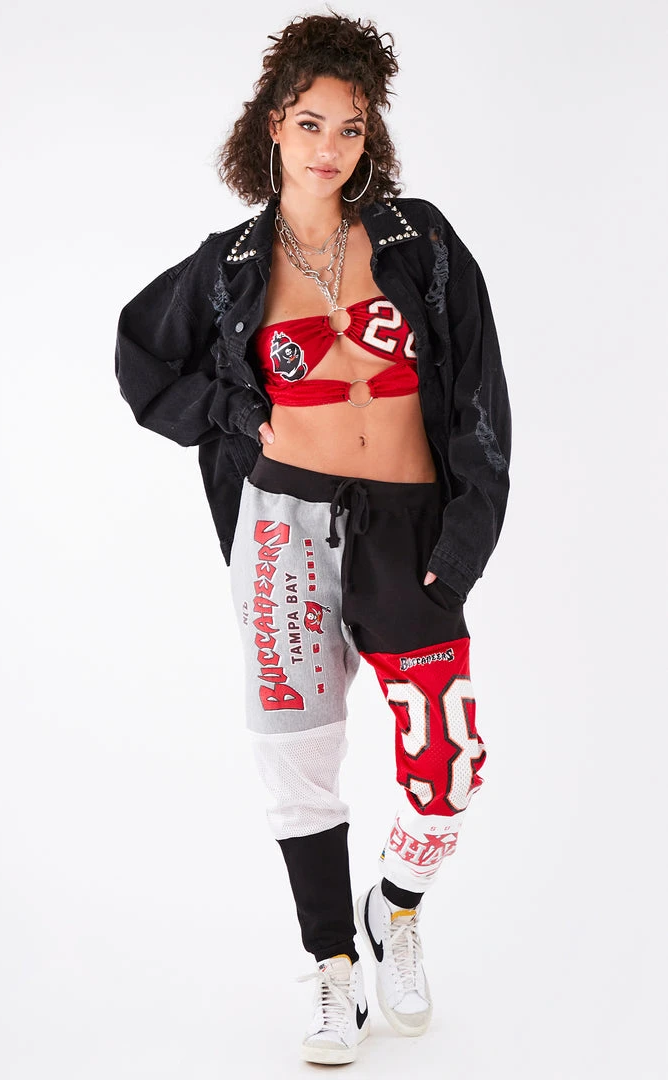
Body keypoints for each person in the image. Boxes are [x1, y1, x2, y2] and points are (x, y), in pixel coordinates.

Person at [114, 12, 511, 1066]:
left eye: (351, 127)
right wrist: (235, 414)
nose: (330, 147)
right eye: (309, 124)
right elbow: (142, 361)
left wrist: (465, 537)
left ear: (370, 135)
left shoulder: (418, 240)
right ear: (272, 128)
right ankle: (334, 969)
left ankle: (395, 906)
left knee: (447, 768)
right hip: (283, 530)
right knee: (299, 761)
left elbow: (478, 390)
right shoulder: (228, 266)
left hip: (409, 528)